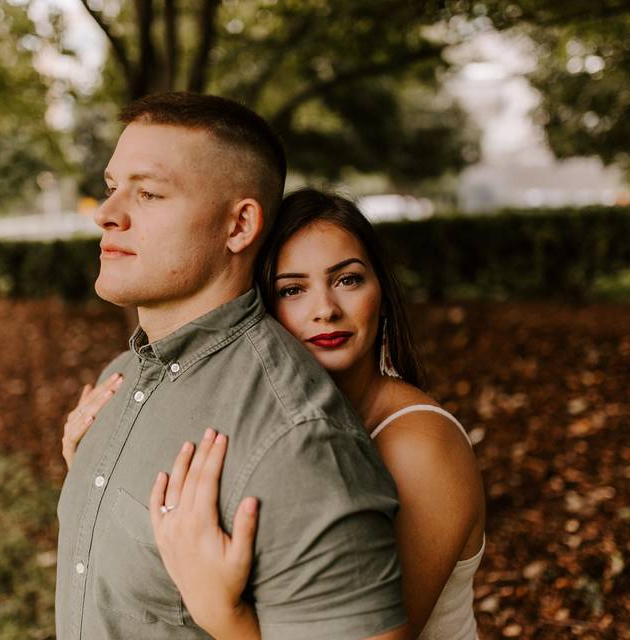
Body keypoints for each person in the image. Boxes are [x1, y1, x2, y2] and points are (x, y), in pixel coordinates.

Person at [56, 93, 408, 640]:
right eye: (111, 188)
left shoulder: (297, 441)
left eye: (147, 193)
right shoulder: (117, 379)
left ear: (239, 225)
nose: (107, 214)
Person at [65, 188, 487, 639]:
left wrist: (223, 614)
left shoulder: (419, 446)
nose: (325, 309)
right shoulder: (260, 422)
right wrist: (95, 460)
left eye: (348, 279)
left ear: (380, 291)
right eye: (293, 289)